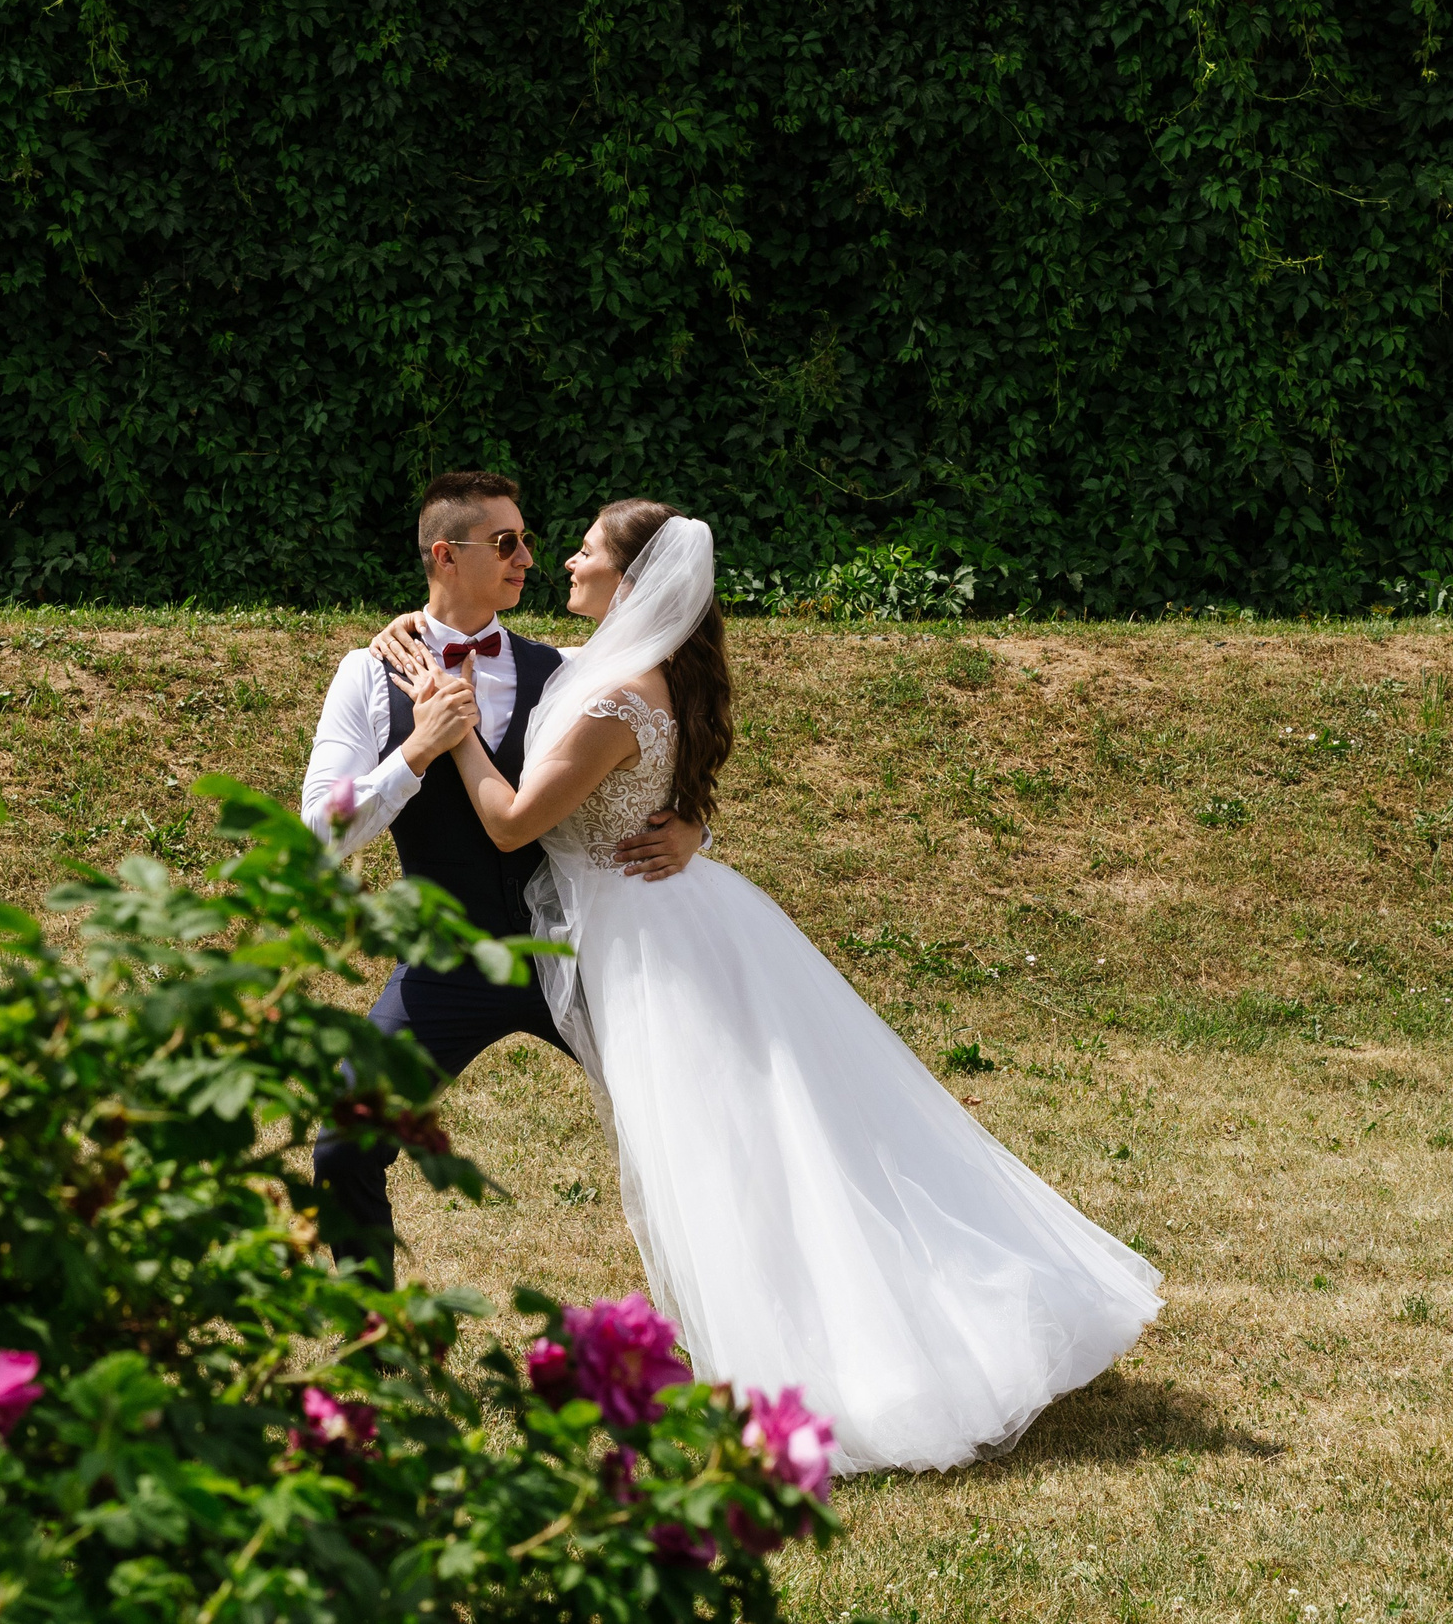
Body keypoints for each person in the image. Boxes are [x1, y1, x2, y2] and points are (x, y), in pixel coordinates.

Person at [376, 499, 1161, 1475]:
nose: (563, 562)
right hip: (668, 916)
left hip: (654, 944)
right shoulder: (615, 669)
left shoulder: (620, 690)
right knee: (757, 1144)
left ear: (631, 580)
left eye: (582, 550)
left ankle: (815, 1377)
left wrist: (447, 730)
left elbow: (508, 825)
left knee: (722, 1157)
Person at [301, 471, 706, 1288]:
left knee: (692, 1126)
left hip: (579, 948)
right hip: (447, 960)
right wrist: (415, 752)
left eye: (527, 539)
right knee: (345, 1142)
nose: (529, 557)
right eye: (507, 543)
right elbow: (317, 833)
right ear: (446, 556)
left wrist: (696, 825)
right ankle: (373, 1341)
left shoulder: (564, 668)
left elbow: (655, 742)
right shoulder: (364, 676)